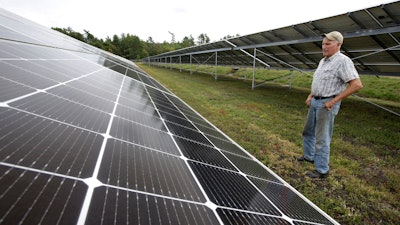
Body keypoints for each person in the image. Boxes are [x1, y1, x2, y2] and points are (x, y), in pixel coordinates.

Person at [297, 31, 363, 178]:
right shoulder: (323, 61)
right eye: (323, 44)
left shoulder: (343, 61)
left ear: (338, 45)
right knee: (308, 132)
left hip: (327, 104)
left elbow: (356, 84)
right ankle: (309, 156)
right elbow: (319, 82)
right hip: (315, 101)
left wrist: (334, 101)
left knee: (322, 138)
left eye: (328, 44)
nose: (324, 47)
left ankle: (321, 170)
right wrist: (310, 95)